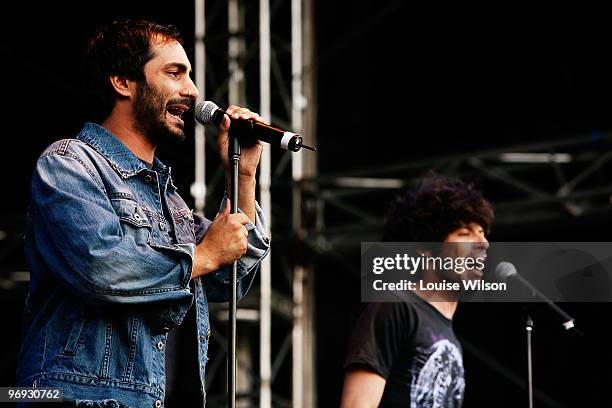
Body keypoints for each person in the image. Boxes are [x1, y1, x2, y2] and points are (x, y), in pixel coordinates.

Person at [16, 19, 269, 407]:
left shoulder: (171, 202)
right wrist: (200, 255)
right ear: (123, 82)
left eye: (190, 75)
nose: (192, 90)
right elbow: (101, 267)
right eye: (174, 73)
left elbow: (227, 278)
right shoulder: (69, 164)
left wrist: (244, 176)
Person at [341, 172, 493, 407]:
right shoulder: (394, 307)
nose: (482, 242)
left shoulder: (451, 339)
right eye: (465, 233)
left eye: (482, 233)